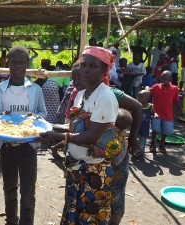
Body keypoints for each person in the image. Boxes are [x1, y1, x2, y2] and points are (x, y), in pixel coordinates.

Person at [40, 46, 123, 225]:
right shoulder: (82, 94)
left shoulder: (105, 97)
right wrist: (44, 124)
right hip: (76, 167)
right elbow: (72, 127)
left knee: (91, 216)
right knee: (75, 213)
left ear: (104, 70)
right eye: (84, 65)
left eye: (92, 66)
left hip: (94, 170)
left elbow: (92, 136)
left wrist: (58, 137)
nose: (85, 69)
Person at [0, 45, 47, 225]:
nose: (18, 67)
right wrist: (2, 117)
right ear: (8, 64)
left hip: (28, 148)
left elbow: (42, 113)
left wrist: (35, 117)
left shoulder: (35, 89)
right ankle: (11, 220)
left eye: (22, 63)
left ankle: (27, 222)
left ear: (27, 65)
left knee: (28, 191)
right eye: (14, 62)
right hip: (7, 147)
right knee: (9, 188)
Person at [149, 71, 184, 154]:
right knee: (155, 129)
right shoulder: (156, 87)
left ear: (170, 79)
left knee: (165, 131)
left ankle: (162, 144)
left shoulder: (174, 88)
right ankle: (153, 143)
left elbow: (176, 101)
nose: (163, 80)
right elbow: (148, 94)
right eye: (162, 78)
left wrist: (181, 110)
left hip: (167, 114)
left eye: (165, 78)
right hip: (156, 113)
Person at [134, 90, 153, 160]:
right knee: (133, 139)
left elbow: (155, 113)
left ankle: (140, 153)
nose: (139, 98)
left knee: (142, 142)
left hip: (144, 127)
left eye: (142, 97)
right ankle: (133, 150)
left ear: (148, 99)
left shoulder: (150, 106)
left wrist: (156, 115)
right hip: (135, 127)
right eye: (138, 96)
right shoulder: (135, 105)